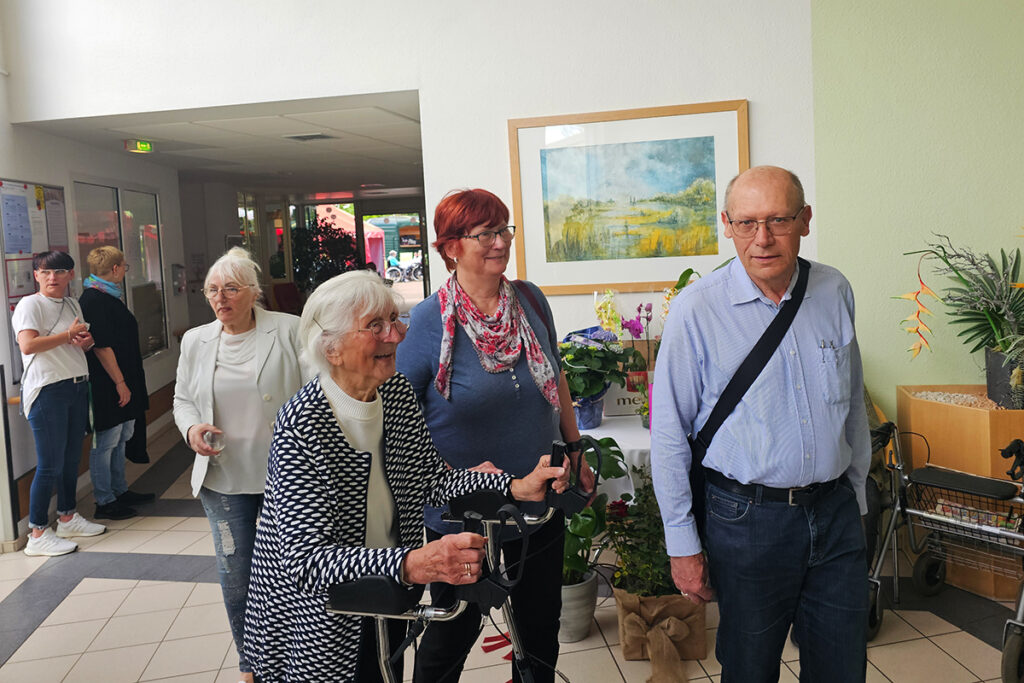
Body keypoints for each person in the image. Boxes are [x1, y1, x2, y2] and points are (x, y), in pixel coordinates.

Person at [242, 270, 566, 682]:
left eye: (395, 320)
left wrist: (515, 486)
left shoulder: (393, 393)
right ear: (332, 348)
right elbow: (306, 561)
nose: (395, 335)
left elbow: (432, 480)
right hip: (318, 619)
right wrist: (414, 563)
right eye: (375, 325)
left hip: (384, 592)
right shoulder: (303, 424)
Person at [650, 166, 871, 683]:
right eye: (746, 223)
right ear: (727, 225)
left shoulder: (834, 289)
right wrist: (682, 544)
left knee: (842, 667)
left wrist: (856, 499)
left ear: (805, 221)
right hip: (747, 522)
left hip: (835, 513)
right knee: (749, 670)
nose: (762, 238)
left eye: (778, 220)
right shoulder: (697, 311)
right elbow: (668, 435)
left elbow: (852, 406)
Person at [396, 188, 591, 683]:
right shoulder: (426, 322)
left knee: (538, 628)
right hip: (464, 506)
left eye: (503, 229)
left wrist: (574, 448)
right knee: (453, 631)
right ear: (451, 247)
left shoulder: (529, 300)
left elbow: (557, 377)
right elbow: (399, 416)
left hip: (539, 495)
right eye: (484, 233)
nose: (499, 242)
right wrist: (444, 474)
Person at [172, 248, 306, 683]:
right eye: (212, 289)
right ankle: (252, 667)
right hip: (224, 478)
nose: (220, 297)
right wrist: (192, 429)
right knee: (237, 576)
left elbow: (315, 389)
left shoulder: (289, 330)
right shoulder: (196, 340)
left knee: (292, 572)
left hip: (287, 478)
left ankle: (298, 657)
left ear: (253, 292)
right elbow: (183, 400)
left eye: (231, 288)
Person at [14, 251, 106, 556]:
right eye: (45, 272)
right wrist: (67, 335)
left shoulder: (71, 302)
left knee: (69, 459)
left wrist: (84, 341)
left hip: (76, 385)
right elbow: (28, 344)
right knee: (49, 463)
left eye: (59, 272)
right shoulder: (31, 304)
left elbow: (81, 340)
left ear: (70, 274)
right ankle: (38, 532)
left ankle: (67, 517)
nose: (52, 277)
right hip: (48, 390)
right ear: (37, 275)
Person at [79, 246, 154, 520]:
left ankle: (120, 490)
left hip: (123, 378)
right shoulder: (93, 300)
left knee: (122, 436)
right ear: (115, 269)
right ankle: (105, 500)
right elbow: (102, 347)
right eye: (124, 266)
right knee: (106, 441)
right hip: (107, 383)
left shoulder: (108, 296)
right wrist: (120, 383)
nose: (125, 271)